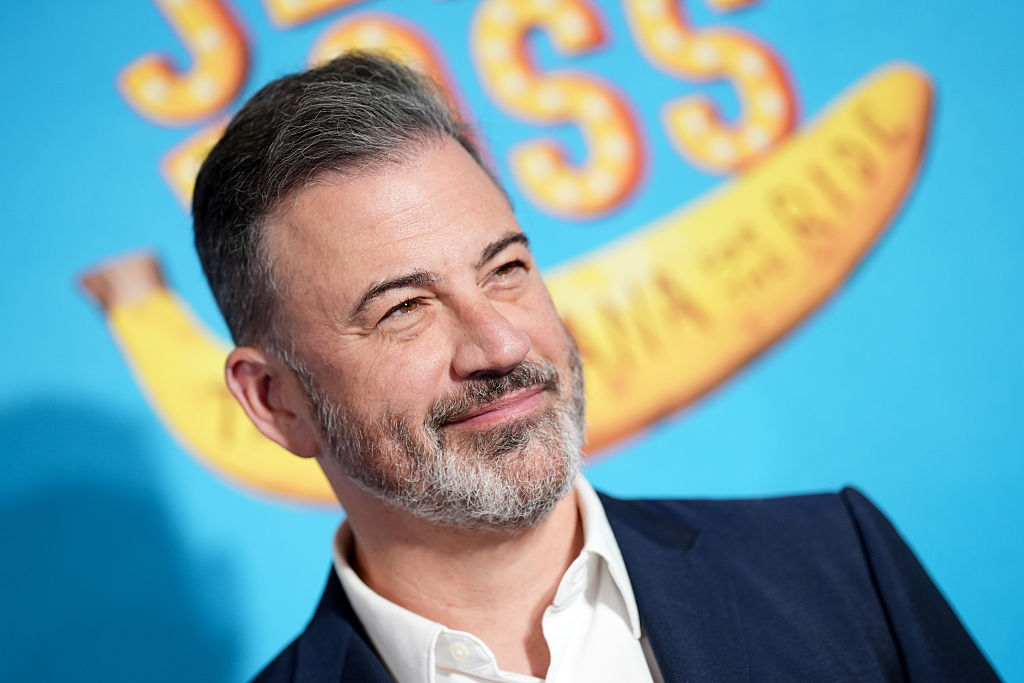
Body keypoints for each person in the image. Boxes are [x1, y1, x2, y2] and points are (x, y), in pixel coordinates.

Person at [191, 52, 998, 682]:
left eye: (505, 269)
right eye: (404, 308)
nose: (501, 345)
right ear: (274, 400)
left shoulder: (841, 567)